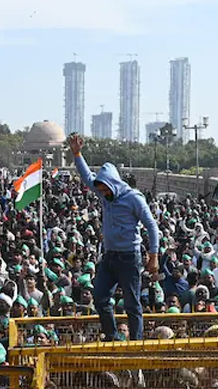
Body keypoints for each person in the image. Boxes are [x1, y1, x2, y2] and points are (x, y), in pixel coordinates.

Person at [68, 133, 160, 342]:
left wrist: (154, 256)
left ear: (114, 184)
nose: (103, 194)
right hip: (110, 256)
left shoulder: (133, 198)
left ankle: (135, 342)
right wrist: (77, 154)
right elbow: (86, 177)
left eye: (105, 190)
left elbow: (152, 226)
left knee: (131, 303)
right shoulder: (102, 191)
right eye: (100, 190)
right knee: (100, 298)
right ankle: (113, 336)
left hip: (129, 257)